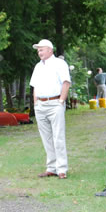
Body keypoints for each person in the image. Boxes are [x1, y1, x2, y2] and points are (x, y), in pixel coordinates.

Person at [30, 39, 71, 179]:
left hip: (55, 103)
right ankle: (51, 167)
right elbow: (34, 86)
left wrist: (61, 101)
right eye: (38, 50)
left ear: (50, 50)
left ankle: (61, 169)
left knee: (58, 136)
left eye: (41, 49)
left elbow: (66, 83)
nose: (39, 52)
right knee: (46, 137)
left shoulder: (60, 63)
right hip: (40, 105)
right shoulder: (38, 66)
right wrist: (35, 104)